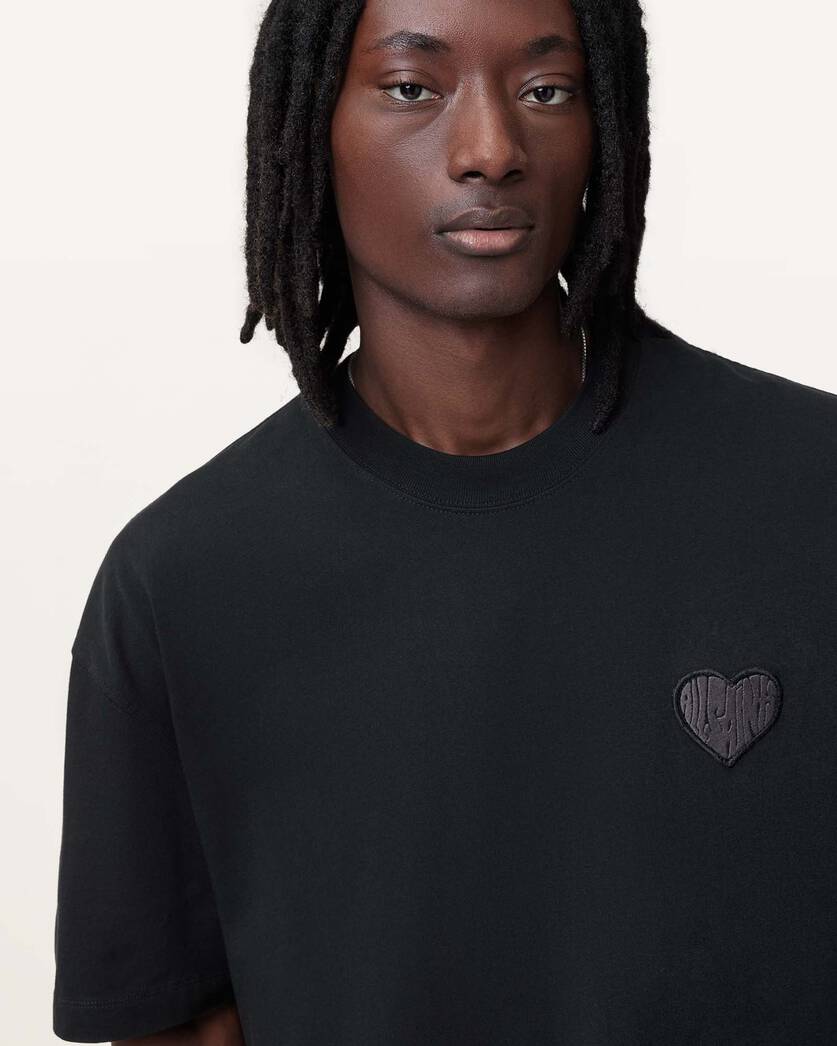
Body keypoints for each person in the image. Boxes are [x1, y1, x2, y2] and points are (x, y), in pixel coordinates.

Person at [53, 0, 837, 1042]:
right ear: (310, 126)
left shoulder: (813, 490)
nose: (490, 149)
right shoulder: (185, 579)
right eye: (412, 88)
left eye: (546, 90)